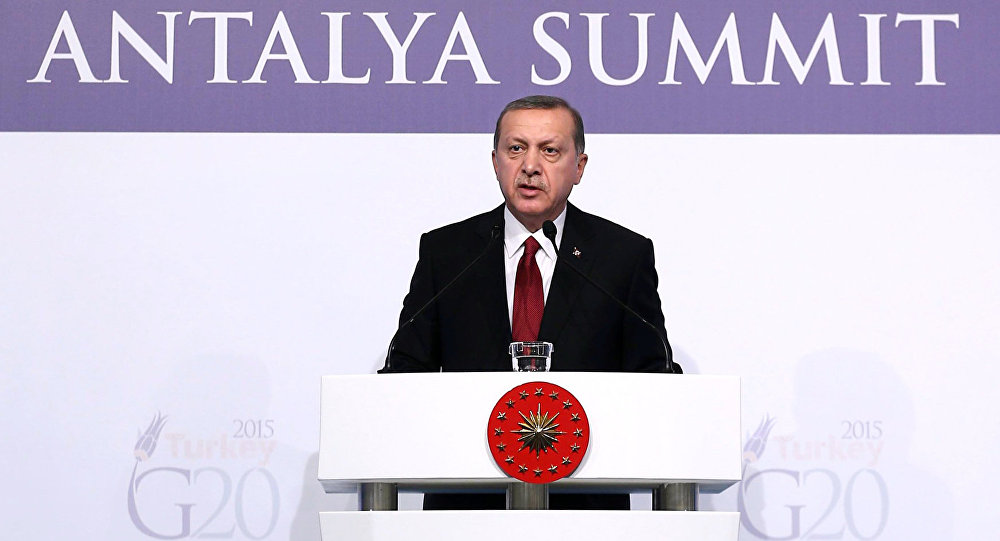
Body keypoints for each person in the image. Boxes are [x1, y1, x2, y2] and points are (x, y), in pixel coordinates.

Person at [381, 95, 678, 509]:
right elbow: (407, 368)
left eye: (550, 150)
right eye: (515, 148)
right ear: (495, 161)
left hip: (586, 506)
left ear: (579, 167)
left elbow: (652, 373)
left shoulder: (621, 256)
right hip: (466, 507)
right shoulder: (447, 253)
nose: (530, 165)